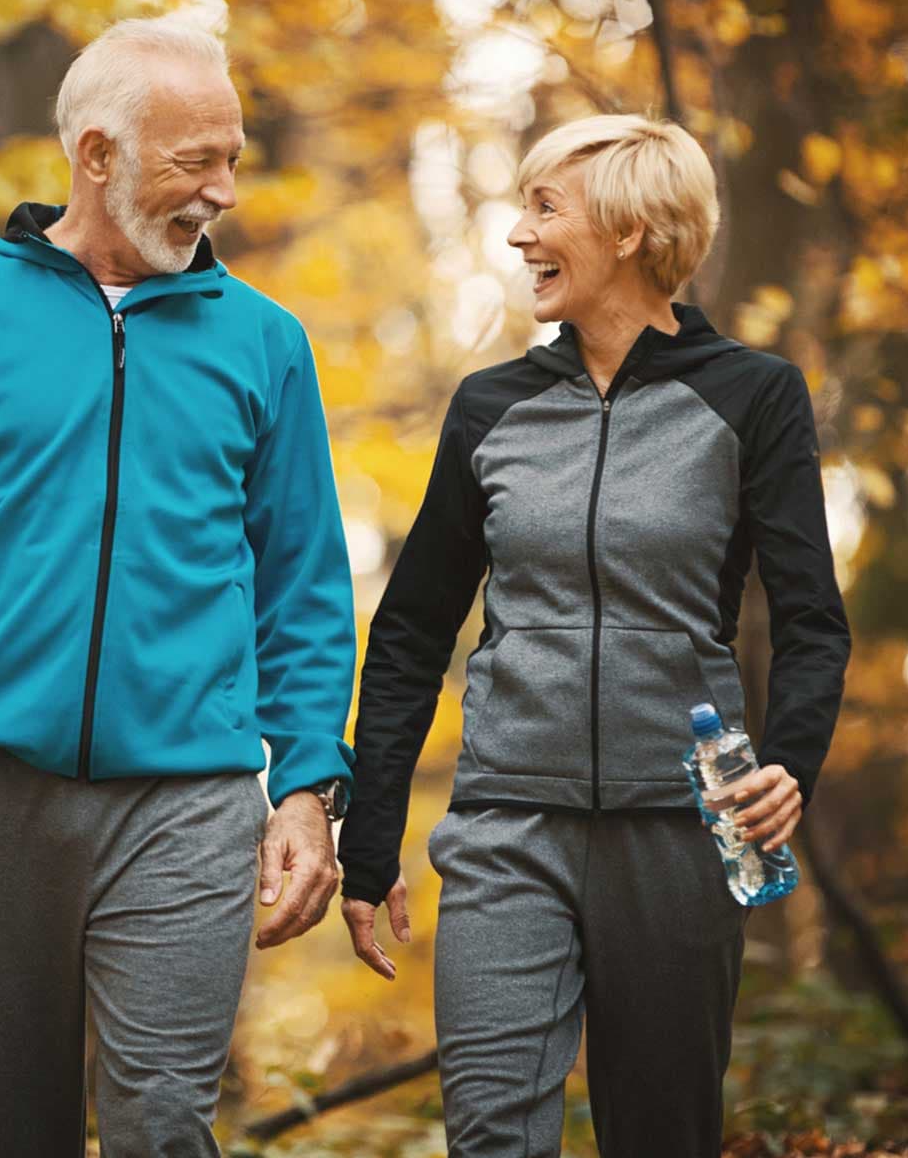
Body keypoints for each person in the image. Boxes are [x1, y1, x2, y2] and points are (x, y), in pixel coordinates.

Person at [0, 16, 357, 1156]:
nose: (226, 189)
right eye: (195, 160)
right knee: (4, 1134)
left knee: (162, 1127)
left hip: (190, 800)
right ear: (96, 154)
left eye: (233, 156)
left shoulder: (265, 342)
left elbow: (303, 586)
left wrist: (307, 784)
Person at [337, 115, 849, 1158]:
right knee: (490, 1133)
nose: (520, 235)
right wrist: (371, 832)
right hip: (506, 828)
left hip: (678, 832)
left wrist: (790, 760)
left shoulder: (750, 396)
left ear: (628, 227)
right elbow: (411, 631)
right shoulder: (493, 407)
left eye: (544, 207)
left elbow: (809, 618)